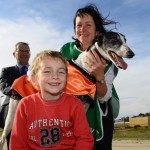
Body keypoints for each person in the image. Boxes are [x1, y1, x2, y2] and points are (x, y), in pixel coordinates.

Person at [60, 4, 119, 150]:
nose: (82, 29)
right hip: (69, 113)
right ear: (74, 29)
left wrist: (99, 76)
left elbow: (104, 97)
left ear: (97, 31)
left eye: (88, 25)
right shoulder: (65, 49)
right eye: (79, 25)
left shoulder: (107, 55)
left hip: (99, 108)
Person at [10, 50, 94, 150]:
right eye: (47, 71)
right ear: (34, 79)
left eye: (61, 72)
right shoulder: (25, 105)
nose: (55, 76)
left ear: (67, 77)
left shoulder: (75, 104)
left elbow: (84, 139)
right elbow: (17, 142)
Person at [0, 42, 30, 149]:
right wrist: (15, 92)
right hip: (12, 111)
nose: (24, 54)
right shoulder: (7, 70)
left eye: (27, 51)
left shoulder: (36, 71)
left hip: (33, 110)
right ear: (14, 54)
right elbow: (3, 85)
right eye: (21, 51)